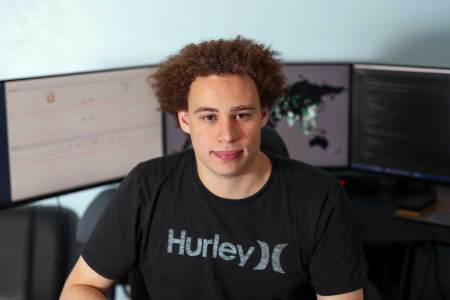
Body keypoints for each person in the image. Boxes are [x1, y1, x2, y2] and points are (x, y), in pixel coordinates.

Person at [61, 36, 366, 300]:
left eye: (241, 115)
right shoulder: (147, 186)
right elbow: (81, 286)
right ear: (185, 121)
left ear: (263, 116)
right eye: (208, 117)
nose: (227, 135)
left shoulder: (319, 199)